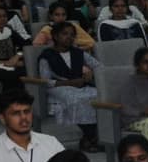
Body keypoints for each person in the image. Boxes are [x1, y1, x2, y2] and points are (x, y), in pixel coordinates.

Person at [37, 21, 101, 152]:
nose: (69, 37)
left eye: (72, 35)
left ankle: (90, 138)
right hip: (58, 87)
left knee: (98, 95)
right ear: (55, 36)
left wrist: (91, 73)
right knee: (76, 99)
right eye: (65, 34)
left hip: (80, 85)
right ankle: (91, 137)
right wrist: (70, 83)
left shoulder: (78, 52)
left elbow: (98, 66)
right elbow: (45, 81)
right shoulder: (47, 55)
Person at [31, 1, 95, 50]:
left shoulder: (74, 26)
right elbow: (36, 47)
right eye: (57, 15)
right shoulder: (47, 30)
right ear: (51, 16)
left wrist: (75, 50)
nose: (61, 18)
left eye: (63, 15)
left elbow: (91, 42)